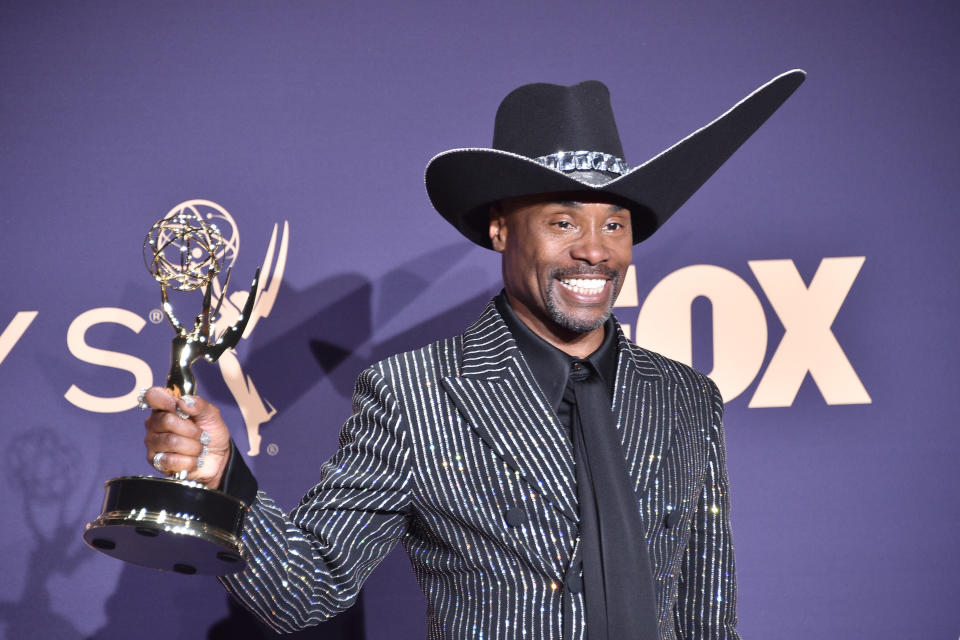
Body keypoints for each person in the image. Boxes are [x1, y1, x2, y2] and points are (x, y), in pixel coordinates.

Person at [142, 70, 805, 639]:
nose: (596, 249)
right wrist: (224, 479)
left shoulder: (685, 398)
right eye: (564, 220)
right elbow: (305, 590)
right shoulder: (414, 394)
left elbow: (707, 614)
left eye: (615, 223)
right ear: (500, 229)